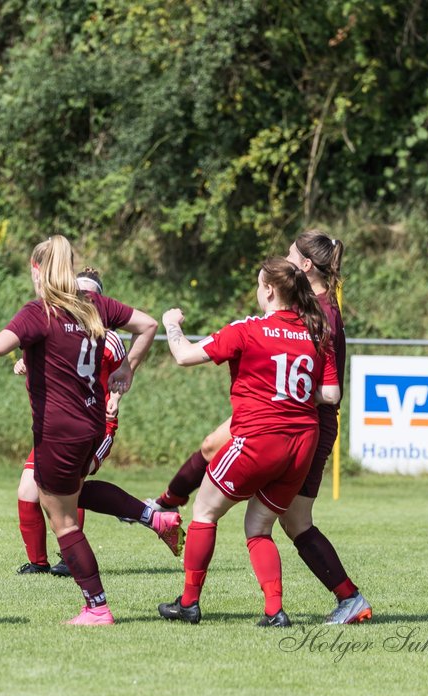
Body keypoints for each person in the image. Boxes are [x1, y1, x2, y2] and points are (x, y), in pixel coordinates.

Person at [0, 235, 171, 625]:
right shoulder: (95, 305)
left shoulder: (42, 312)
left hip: (58, 430)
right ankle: (153, 518)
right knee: (74, 495)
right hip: (91, 425)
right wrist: (128, 368)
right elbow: (148, 324)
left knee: (64, 522)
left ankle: (97, 607)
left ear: (38, 270)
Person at [151, 231, 371, 624]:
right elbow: (332, 389)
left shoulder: (312, 318)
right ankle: (167, 503)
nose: (287, 256)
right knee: (247, 501)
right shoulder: (314, 322)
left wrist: (171, 324)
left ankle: (347, 597)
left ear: (275, 287)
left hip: (292, 425)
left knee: (272, 519)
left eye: (291, 254)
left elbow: (185, 355)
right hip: (300, 432)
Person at [14, 268, 125, 577]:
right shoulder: (60, 327)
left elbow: (123, 375)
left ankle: (71, 557)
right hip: (59, 428)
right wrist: (25, 362)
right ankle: (38, 562)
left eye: (91, 293)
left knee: (72, 489)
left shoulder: (110, 338)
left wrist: (116, 397)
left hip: (96, 427)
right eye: (80, 291)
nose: (84, 298)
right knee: (27, 491)